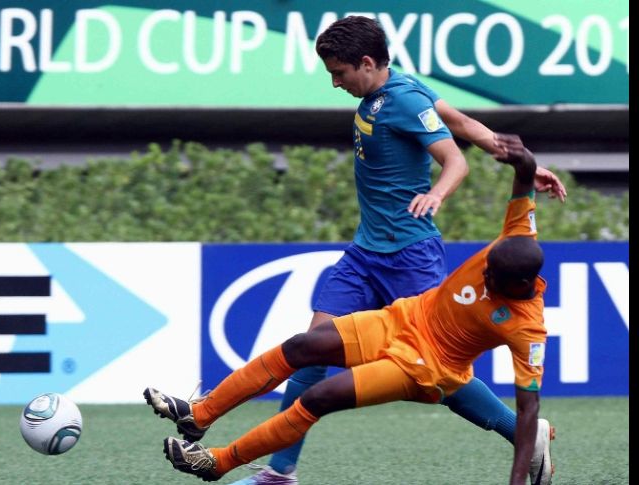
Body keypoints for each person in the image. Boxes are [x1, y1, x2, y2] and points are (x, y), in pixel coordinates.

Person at [210, 15, 564, 485]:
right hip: (366, 251)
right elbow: (457, 121)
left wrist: (438, 194)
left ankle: (519, 431)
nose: (335, 83)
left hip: (409, 254)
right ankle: (279, 473)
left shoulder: (402, 98)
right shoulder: (397, 88)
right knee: (311, 352)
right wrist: (514, 157)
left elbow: (453, 155)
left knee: (440, 371)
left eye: (339, 73)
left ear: (367, 62)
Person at [145, 134, 552, 484]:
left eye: (491, 279)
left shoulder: (527, 328)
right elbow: (523, 186)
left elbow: (529, 403)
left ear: (516, 286)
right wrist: (526, 160)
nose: (483, 277)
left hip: (425, 366)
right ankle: (200, 415)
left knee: (320, 396)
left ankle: (219, 463)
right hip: (401, 319)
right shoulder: (515, 237)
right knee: (302, 347)